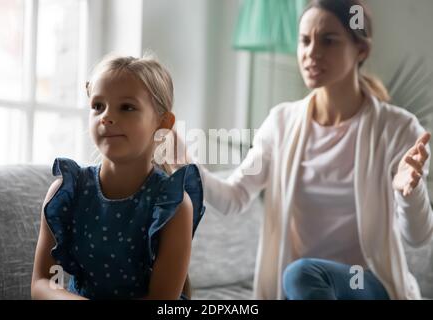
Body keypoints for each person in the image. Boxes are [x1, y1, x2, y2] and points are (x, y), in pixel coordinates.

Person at [173, 0, 433, 299]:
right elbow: (234, 198)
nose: (312, 52)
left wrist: (407, 193)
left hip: (367, 284)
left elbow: (418, 236)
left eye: (328, 41)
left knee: (301, 273)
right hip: (301, 289)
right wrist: (187, 163)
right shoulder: (281, 122)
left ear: (361, 49)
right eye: (305, 41)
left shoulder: (399, 129)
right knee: (301, 276)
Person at [31, 54, 205, 300]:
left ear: (163, 123)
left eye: (127, 107)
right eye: (98, 106)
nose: (106, 117)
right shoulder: (65, 192)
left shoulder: (174, 205)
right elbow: (41, 284)